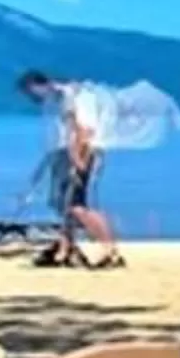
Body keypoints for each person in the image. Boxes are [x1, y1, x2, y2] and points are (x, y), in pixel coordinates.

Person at [16, 69, 125, 268]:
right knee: (64, 206)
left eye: (31, 92)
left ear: (38, 86)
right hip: (64, 153)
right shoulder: (56, 100)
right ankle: (65, 248)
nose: (31, 98)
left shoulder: (66, 97)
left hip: (75, 152)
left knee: (77, 206)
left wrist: (77, 159)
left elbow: (78, 129)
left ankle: (110, 250)